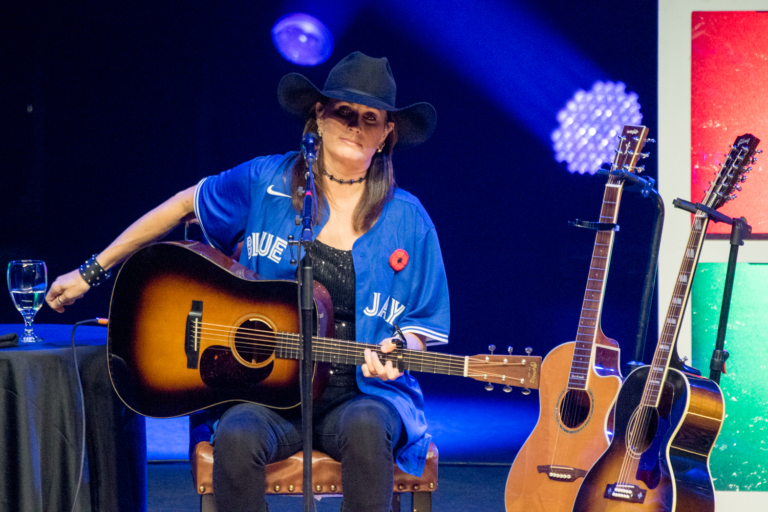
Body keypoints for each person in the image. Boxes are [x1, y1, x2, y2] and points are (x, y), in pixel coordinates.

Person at [46, 51, 450, 512]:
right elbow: (183, 204)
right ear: (318, 115)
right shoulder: (264, 180)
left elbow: (420, 328)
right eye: (344, 111)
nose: (356, 126)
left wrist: (401, 351)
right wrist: (90, 271)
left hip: (360, 394)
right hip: (263, 389)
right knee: (237, 437)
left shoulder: (409, 219)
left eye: (370, 118)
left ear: (386, 134)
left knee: (366, 431)